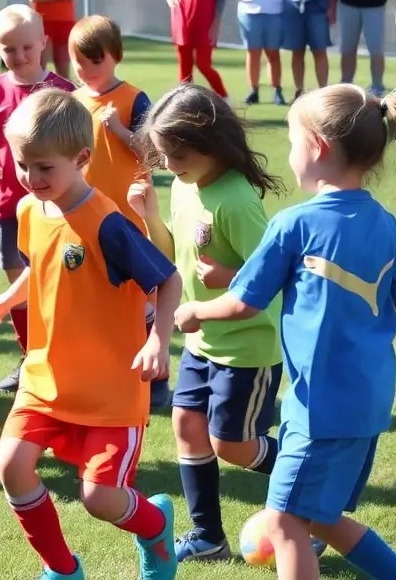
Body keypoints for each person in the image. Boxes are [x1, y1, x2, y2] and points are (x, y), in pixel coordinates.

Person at [174, 84, 396, 580]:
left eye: (293, 142)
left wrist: (195, 312)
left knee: (283, 524)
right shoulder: (381, 221)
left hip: (318, 407)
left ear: (317, 147)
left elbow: (242, 302)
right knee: (321, 518)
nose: (290, 154)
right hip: (367, 401)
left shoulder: (295, 224)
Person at [0, 88, 181, 580]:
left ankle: (155, 527)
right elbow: (45, 268)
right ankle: (62, 569)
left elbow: (167, 278)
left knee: (100, 499)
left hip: (111, 387)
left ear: (82, 159)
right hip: (46, 376)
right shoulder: (31, 211)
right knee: (11, 466)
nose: (31, 179)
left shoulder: (108, 224)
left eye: (44, 168)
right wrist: (12, 297)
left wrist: (158, 338)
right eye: (23, 165)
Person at [128, 84, 294, 563]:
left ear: (212, 143)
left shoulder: (237, 201)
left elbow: (276, 274)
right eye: (163, 155)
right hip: (202, 344)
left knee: (233, 446)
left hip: (247, 348)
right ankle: (207, 537)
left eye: (177, 154)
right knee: (186, 425)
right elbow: (172, 254)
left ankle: (310, 479)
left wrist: (230, 276)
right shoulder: (183, 186)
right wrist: (149, 215)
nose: (169, 164)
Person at [0, 4, 75, 394]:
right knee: (18, 286)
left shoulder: (63, 93)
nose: (20, 56)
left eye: (28, 47)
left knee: (58, 286)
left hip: (59, 211)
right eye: (9, 49)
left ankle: (64, 357)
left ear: (43, 42)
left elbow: (82, 148)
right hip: (10, 206)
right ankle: (30, 358)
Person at [68, 15, 170, 409]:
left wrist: (121, 132)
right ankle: (106, 371)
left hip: (129, 217)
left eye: (94, 61)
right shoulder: (74, 102)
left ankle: (156, 374)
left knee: (142, 296)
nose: (85, 70)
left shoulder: (133, 98)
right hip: (86, 216)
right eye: (79, 61)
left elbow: (156, 154)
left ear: (115, 57)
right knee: (96, 296)